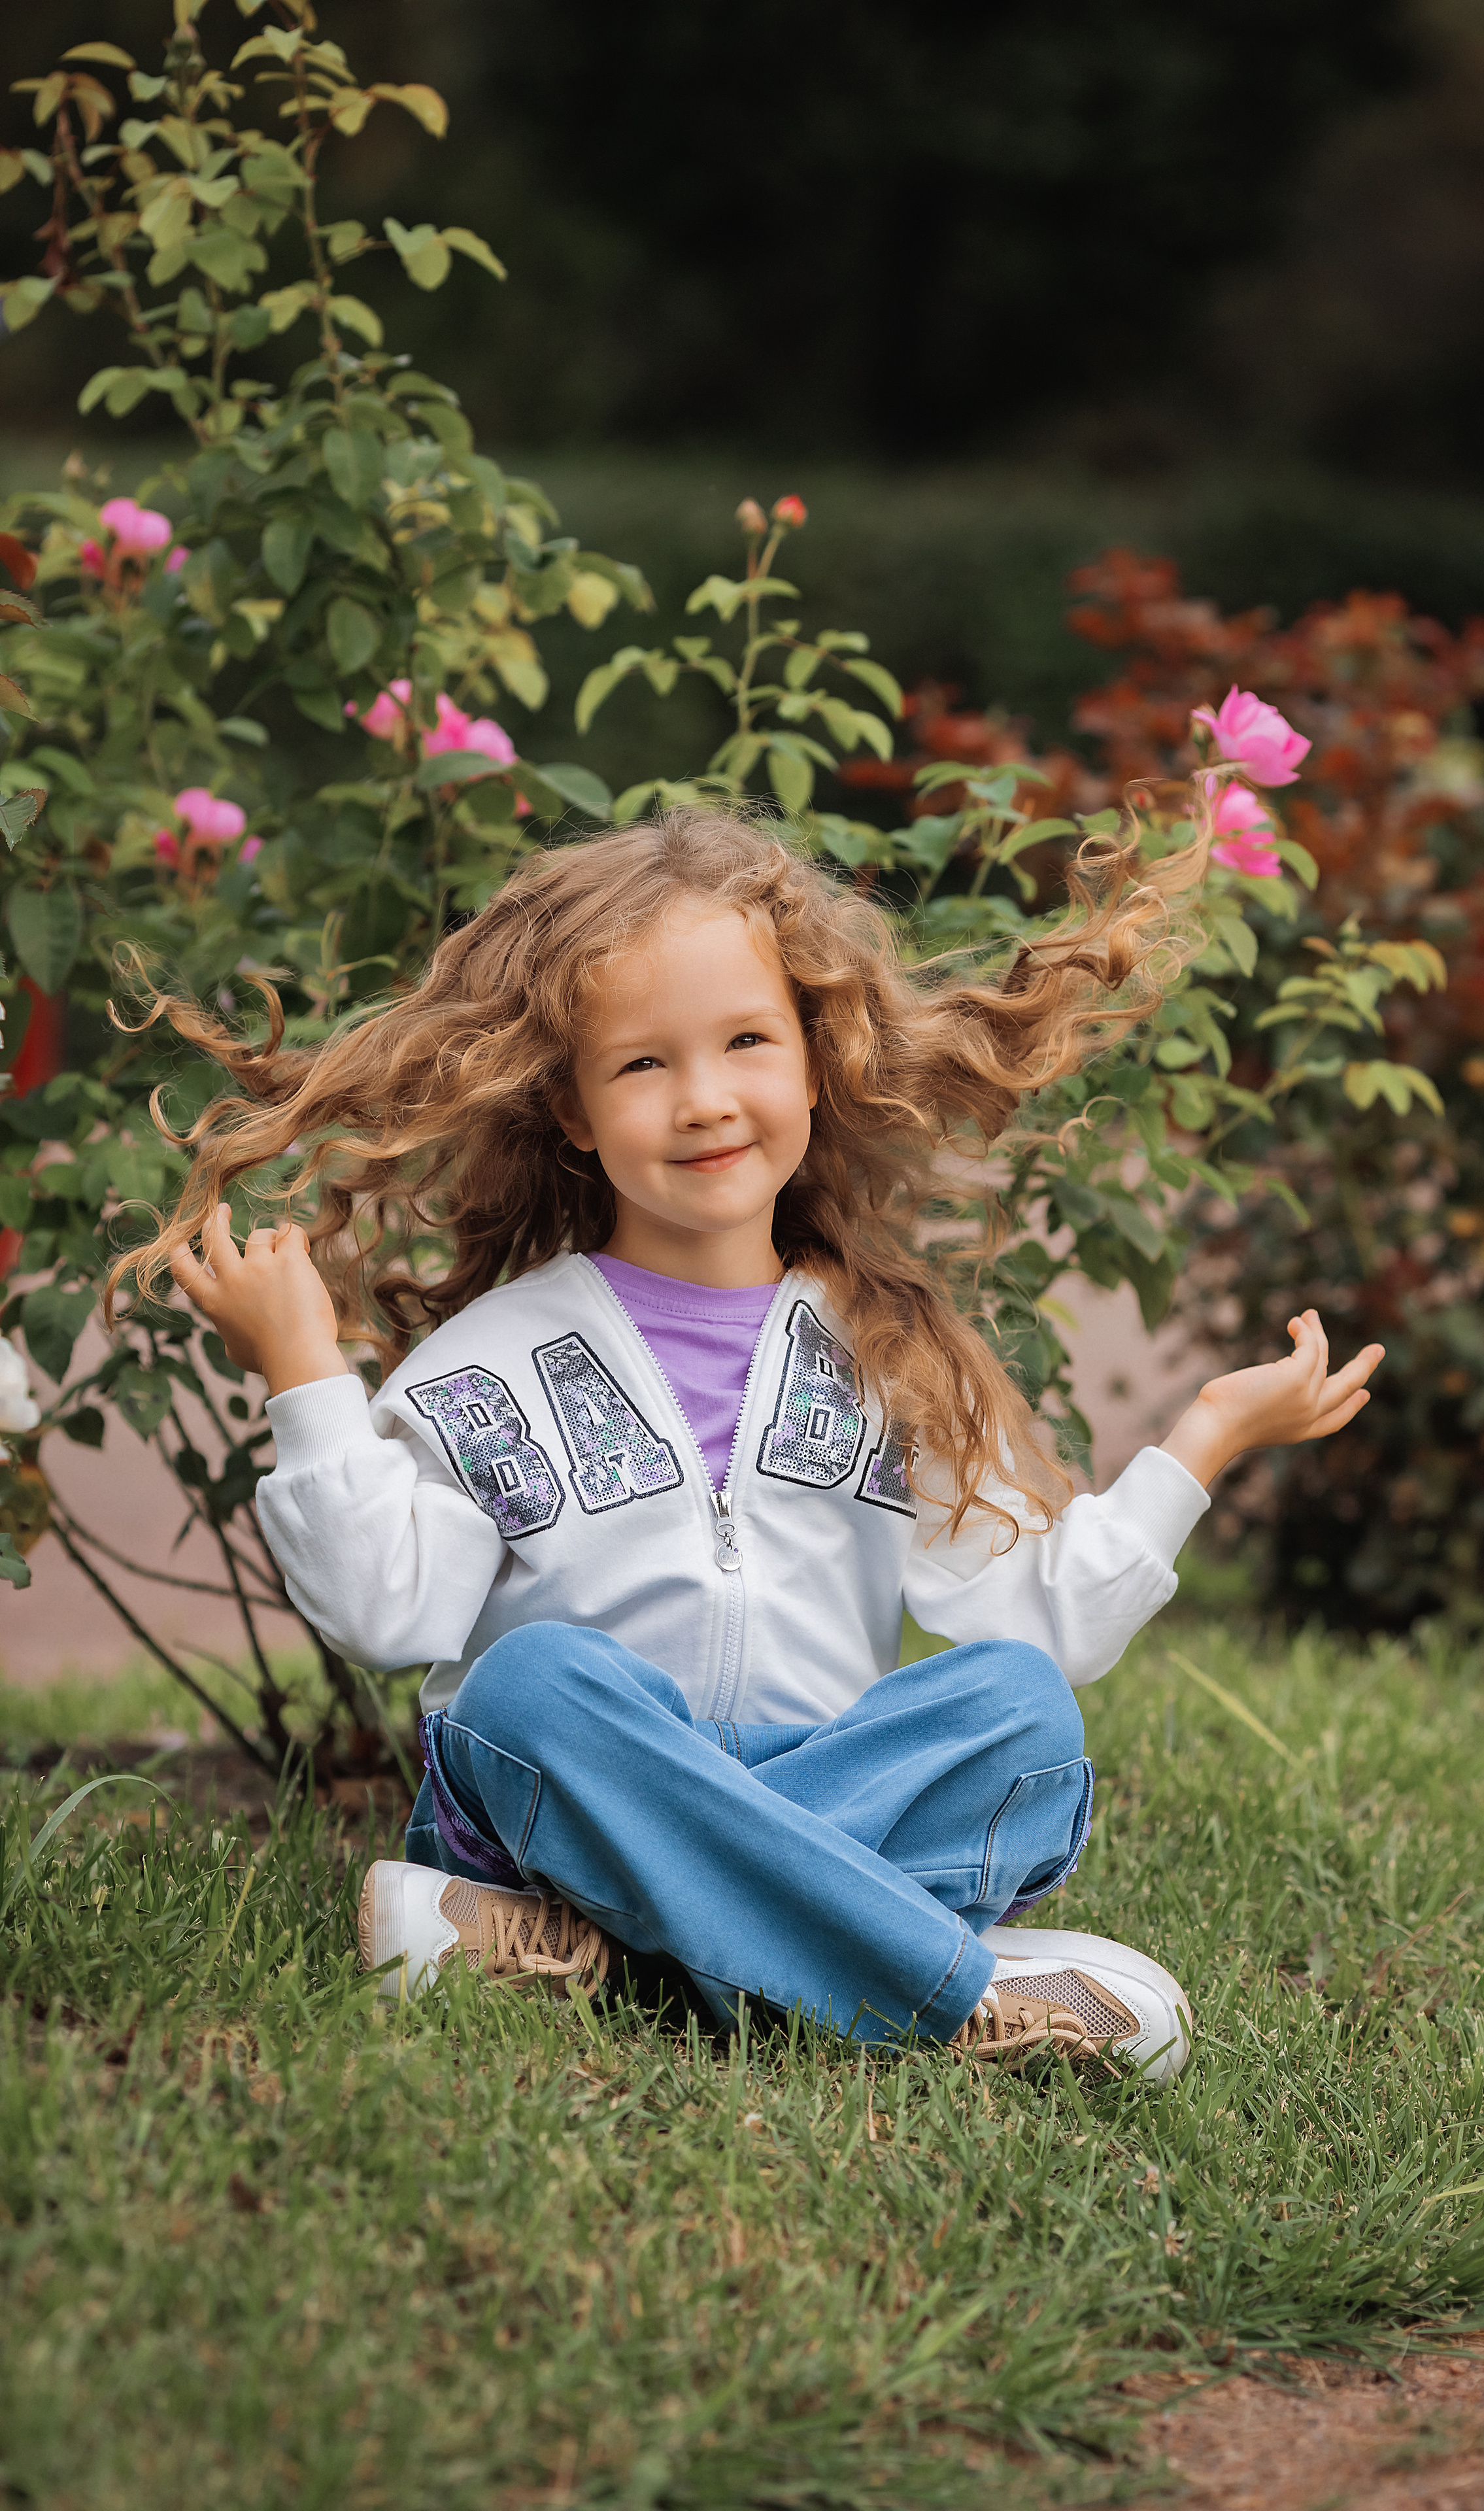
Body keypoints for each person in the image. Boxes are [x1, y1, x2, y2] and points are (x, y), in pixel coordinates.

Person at [129, 808, 1381, 2080]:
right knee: (533, 1688)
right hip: (584, 1801)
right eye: (642, 1066)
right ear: (570, 1105)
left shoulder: (893, 1352)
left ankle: (596, 1958)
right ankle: (948, 1999)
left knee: (1020, 1711)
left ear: (812, 1058)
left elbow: (1048, 1622)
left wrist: (1203, 1441)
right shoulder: (492, 1363)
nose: (705, 1099)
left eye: (745, 1042)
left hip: (823, 1774)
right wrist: (304, 1379)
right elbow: (387, 1616)